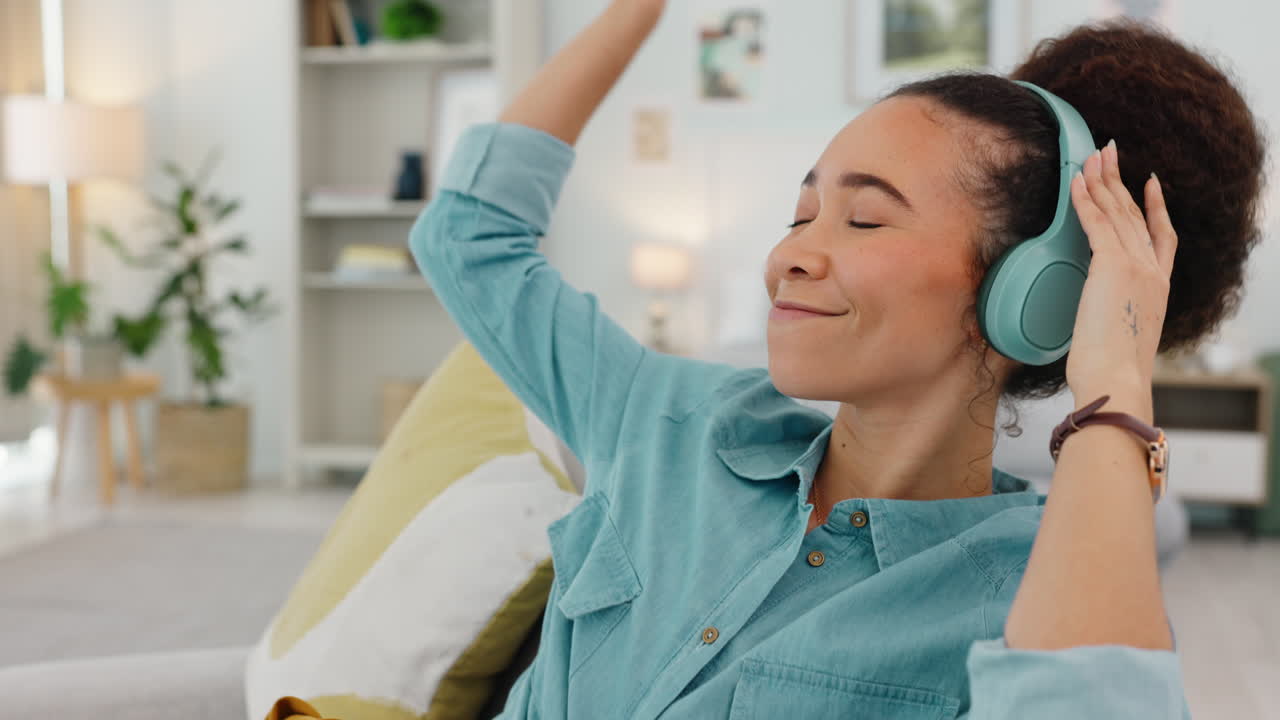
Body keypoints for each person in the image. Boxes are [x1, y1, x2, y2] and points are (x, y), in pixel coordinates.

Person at [408, 0, 1266, 717]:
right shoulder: (670, 418)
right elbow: (468, 236)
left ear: (1031, 292)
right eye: (799, 215)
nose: (790, 257)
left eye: (863, 220)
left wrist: (1114, 387)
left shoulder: (1030, 594)